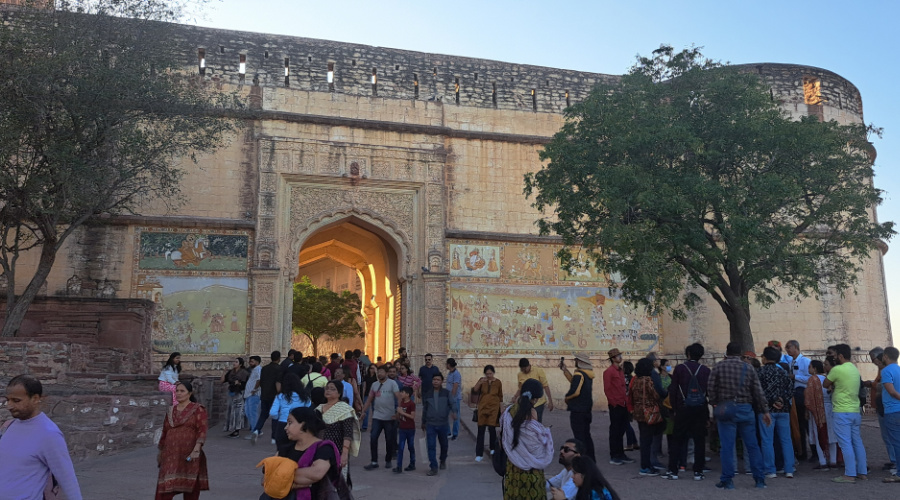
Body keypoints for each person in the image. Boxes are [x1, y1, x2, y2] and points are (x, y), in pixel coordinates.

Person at [0, 375, 82, 500]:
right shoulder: (9, 426)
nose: (9, 406)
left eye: (16, 401)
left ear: (35, 398)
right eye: (8, 400)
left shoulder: (49, 434)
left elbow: (67, 478)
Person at [708, 341, 769, 490]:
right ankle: (759, 479)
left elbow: (710, 388)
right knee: (752, 446)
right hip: (745, 409)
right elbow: (758, 391)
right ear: (741, 352)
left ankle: (727, 480)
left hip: (726, 408)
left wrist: (716, 403)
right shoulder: (748, 368)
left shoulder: (718, 367)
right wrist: (765, 410)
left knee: (727, 446)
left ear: (727, 352)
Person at [662, 342, 710, 481]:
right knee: (699, 440)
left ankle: (673, 470)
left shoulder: (680, 369)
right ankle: (698, 471)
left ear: (688, 354)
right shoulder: (706, 370)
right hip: (700, 408)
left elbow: (674, 390)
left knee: (677, 439)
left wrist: (675, 409)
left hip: (683, 408)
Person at [500, 378, 554, 499]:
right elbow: (535, 444)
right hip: (531, 470)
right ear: (534, 399)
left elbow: (503, 437)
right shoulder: (532, 413)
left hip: (513, 467)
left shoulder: (509, 411)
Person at [155, 381, 208, 500]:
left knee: (191, 487)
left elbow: (202, 429)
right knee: (164, 489)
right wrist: (160, 451)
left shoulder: (198, 409)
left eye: (182, 391)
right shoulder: (170, 411)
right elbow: (165, 431)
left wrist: (197, 449)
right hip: (171, 455)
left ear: (189, 393)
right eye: (177, 391)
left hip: (189, 453)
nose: (178, 393)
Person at [824, 343, 868, 483]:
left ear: (841, 356)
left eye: (835, 355)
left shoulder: (837, 370)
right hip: (855, 411)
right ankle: (862, 472)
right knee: (857, 442)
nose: (834, 358)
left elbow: (825, 384)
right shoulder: (855, 369)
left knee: (845, 443)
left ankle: (849, 474)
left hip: (841, 411)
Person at [279, 407, 342, 500]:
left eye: (290, 423)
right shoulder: (285, 449)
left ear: (303, 425)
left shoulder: (324, 449)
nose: (286, 427)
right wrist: (298, 483)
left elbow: (316, 473)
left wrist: (281, 478)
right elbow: (266, 479)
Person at [757, 346, 795, 478]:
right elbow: (791, 390)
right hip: (783, 410)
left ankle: (770, 469)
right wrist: (781, 400)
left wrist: (771, 400)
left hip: (766, 410)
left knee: (767, 440)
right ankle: (789, 468)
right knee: (786, 439)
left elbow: (758, 392)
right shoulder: (783, 372)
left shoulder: (760, 372)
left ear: (765, 358)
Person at [316, 380, 360, 484]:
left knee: (337, 481)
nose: (328, 391)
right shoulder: (318, 409)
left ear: (339, 393)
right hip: (320, 449)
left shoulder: (344, 410)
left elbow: (347, 433)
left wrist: (344, 453)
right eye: (327, 388)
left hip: (338, 450)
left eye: (332, 389)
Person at [628, 358, 666, 476]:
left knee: (644, 439)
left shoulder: (635, 380)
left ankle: (645, 465)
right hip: (649, 412)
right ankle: (646, 466)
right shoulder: (648, 380)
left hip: (639, 413)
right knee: (648, 441)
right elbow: (656, 395)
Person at [864, 347, 896, 472]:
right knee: (887, 436)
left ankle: (895, 461)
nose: (873, 362)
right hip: (882, 405)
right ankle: (893, 459)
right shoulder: (883, 370)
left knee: (890, 435)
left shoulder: (886, 371)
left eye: (874, 359)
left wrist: (871, 384)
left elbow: (885, 387)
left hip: (885, 406)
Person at [361, 365, 399, 470]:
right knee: (373, 438)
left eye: (382, 372)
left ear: (386, 373)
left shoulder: (392, 384)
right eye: (378, 372)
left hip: (389, 417)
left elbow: (399, 397)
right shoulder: (374, 385)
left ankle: (388, 460)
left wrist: (399, 412)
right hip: (377, 416)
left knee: (389, 439)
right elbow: (369, 399)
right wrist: (363, 411)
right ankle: (374, 461)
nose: (379, 374)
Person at [560, 353, 596, 461]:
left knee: (579, 437)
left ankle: (582, 460)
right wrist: (565, 371)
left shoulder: (579, 374)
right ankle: (590, 459)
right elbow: (575, 382)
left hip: (578, 409)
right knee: (586, 435)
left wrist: (567, 398)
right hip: (586, 409)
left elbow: (575, 391)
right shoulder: (587, 374)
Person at [422, 373, 457, 476]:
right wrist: (423, 422)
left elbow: (452, 403)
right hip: (430, 424)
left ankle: (442, 460)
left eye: (438, 379)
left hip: (443, 424)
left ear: (442, 381)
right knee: (431, 446)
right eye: (434, 379)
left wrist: (454, 412)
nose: (436, 381)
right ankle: (433, 467)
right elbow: (425, 409)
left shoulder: (446, 393)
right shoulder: (428, 394)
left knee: (444, 445)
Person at [603, 349, 634, 466]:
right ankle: (614, 454)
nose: (620, 357)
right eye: (617, 356)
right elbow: (607, 389)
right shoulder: (609, 372)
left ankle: (620, 453)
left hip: (623, 403)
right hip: (616, 404)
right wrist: (614, 402)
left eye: (620, 355)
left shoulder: (621, 370)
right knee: (615, 430)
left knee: (622, 429)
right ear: (613, 358)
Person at [806, 359, 838, 470]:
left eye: (810, 367)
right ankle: (833, 461)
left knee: (818, 433)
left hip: (817, 410)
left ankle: (823, 461)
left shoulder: (812, 380)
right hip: (830, 408)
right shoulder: (827, 379)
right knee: (831, 434)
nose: (808, 369)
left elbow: (809, 398)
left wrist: (809, 410)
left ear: (814, 369)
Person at [785, 340, 812, 460]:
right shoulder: (791, 362)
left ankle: (814, 451)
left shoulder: (805, 361)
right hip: (795, 394)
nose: (787, 350)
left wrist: (795, 377)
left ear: (795, 347)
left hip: (803, 393)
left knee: (806, 425)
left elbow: (810, 378)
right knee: (798, 424)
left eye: (788, 347)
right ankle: (802, 451)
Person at [270, 373, 311, 448]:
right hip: (299, 425)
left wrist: (278, 418)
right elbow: (308, 409)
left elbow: (273, 412)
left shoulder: (281, 396)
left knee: (282, 450)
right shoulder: (305, 397)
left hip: (282, 423)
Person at [473, 364, 503, 461]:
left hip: (494, 408)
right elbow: (475, 390)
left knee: (492, 429)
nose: (488, 375)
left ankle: (493, 448)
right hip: (483, 408)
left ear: (493, 373)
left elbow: (500, 396)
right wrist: (480, 382)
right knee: (481, 431)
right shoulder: (482, 381)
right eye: (487, 374)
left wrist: (501, 409)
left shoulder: (498, 382)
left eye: (490, 373)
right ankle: (479, 454)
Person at [253, 351, 283, 445]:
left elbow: (261, 381)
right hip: (274, 396)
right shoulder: (279, 369)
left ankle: (256, 430)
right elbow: (278, 383)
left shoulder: (264, 368)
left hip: (265, 394)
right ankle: (274, 437)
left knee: (263, 414)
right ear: (279, 358)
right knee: (275, 416)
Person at [880, 346, 900, 483]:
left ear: (886, 356)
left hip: (892, 410)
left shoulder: (886, 371)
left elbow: (892, 392)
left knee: (897, 443)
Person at [513, 358, 554, 423]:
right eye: (522, 369)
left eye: (525, 369)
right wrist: (515, 397)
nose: (524, 371)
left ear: (529, 365)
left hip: (538, 402)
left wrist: (550, 401)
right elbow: (520, 389)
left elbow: (545, 386)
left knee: (537, 422)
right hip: (526, 403)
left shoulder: (538, 371)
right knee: (526, 422)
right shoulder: (520, 374)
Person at [221, 357, 249, 438]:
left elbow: (245, 384)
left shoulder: (244, 372)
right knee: (230, 410)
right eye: (234, 362)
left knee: (238, 411)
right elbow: (222, 380)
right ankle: (231, 428)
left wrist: (239, 383)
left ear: (240, 364)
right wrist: (224, 372)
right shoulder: (231, 372)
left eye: (236, 362)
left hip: (239, 393)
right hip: (231, 392)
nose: (234, 363)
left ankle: (237, 430)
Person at [394, 386, 417, 473]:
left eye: (402, 392)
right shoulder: (401, 403)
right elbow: (398, 416)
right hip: (402, 428)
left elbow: (412, 416)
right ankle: (399, 466)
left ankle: (412, 463)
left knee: (410, 446)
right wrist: (397, 414)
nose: (401, 394)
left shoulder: (411, 404)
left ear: (407, 394)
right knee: (401, 447)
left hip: (410, 429)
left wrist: (402, 412)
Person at [244, 355, 262, 441]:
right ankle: (257, 429)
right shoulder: (254, 370)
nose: (250, 363)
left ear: (257, 362)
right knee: (248, 412)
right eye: (250, 361)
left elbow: (259, 380)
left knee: (252, 414)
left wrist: (255, 389)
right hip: (249, 394)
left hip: (253, 395)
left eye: (252, 361)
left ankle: (254, 432)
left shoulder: (258, 369)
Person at [621, 361, 639, 452]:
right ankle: (634, 442)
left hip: (625, 403)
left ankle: (630, 444)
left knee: (626, 424)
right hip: (631, 403)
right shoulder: (633, 378)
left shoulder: (624, 378)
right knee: (627, 423)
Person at [445, 358, 463, 440]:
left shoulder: (456, 374)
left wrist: (451, 398)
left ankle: (455, 433)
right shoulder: (450, 373)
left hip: (454, 399)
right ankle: (448, 432)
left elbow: (455, 387)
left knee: (456, 416)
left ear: (449, 365)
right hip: (448, 397)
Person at [360, 363, 378, 431]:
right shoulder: (366, 377)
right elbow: (364, 386)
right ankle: (364, 426)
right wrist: (362, 395)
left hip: (375, 395)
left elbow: (380, 382)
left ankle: (375, 427)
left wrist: (376, 372)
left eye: (373, 368)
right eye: (371, 368)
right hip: (367, 394)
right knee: (365, 411)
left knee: (375, 411)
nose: (372, 370)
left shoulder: (376, 377)